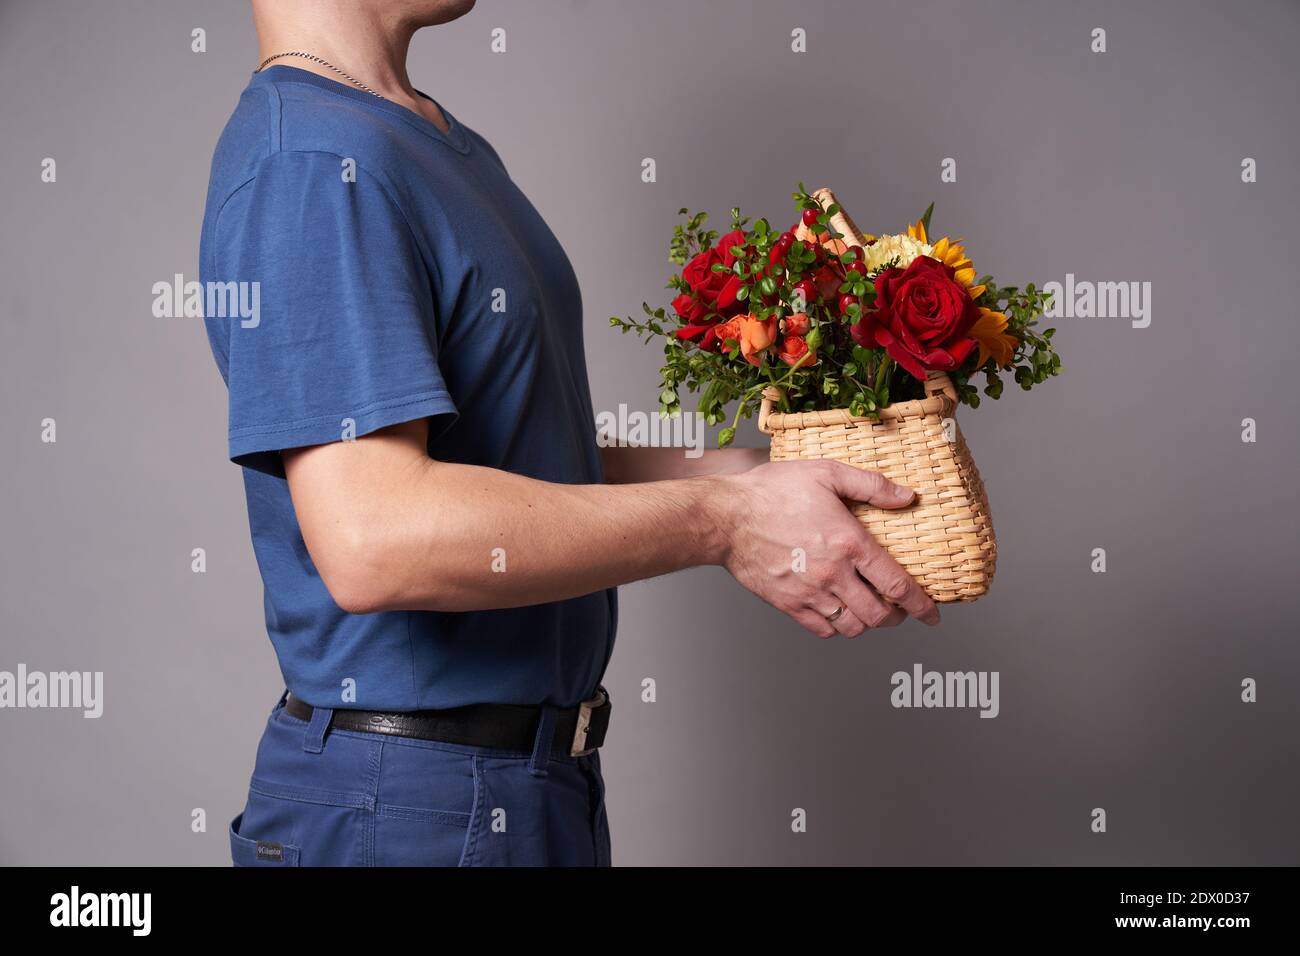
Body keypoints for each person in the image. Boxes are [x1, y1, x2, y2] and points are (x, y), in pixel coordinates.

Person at [200, 0, 939, 867]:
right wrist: (727, 521)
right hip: (411, 806)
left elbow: (520, 462)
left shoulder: (428, 138)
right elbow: (376, 537)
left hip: (525, 786)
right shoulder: (317, 160)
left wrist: (768, 476)